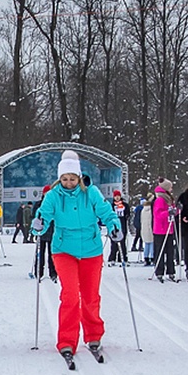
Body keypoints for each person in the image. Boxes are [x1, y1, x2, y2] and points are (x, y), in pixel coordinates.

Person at [31, 151, 121, 361]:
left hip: (91, 249)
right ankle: (67, 340)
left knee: (90, 296)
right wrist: (39, 224)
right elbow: (43, 214)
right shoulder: (53, 195)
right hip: (64, 249)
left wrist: (114, 225)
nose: (68, 183)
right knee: (70, 295)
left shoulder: (91, 193)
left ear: (79, 177)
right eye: (64, 179)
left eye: (72, 178)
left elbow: (106, 212)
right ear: (59, 179)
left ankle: (93, 335)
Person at [151, 179, 178, 282]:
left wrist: (177, 210)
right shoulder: (160, 199)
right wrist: (168, 212)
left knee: (170, 251)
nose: (171, 189)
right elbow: (158, 215)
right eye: (170, 187)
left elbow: (173, 211)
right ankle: (159, 271)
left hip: (169, 228)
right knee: (160, 251)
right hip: (160, 230)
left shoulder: (169, 199)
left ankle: (171, 271)